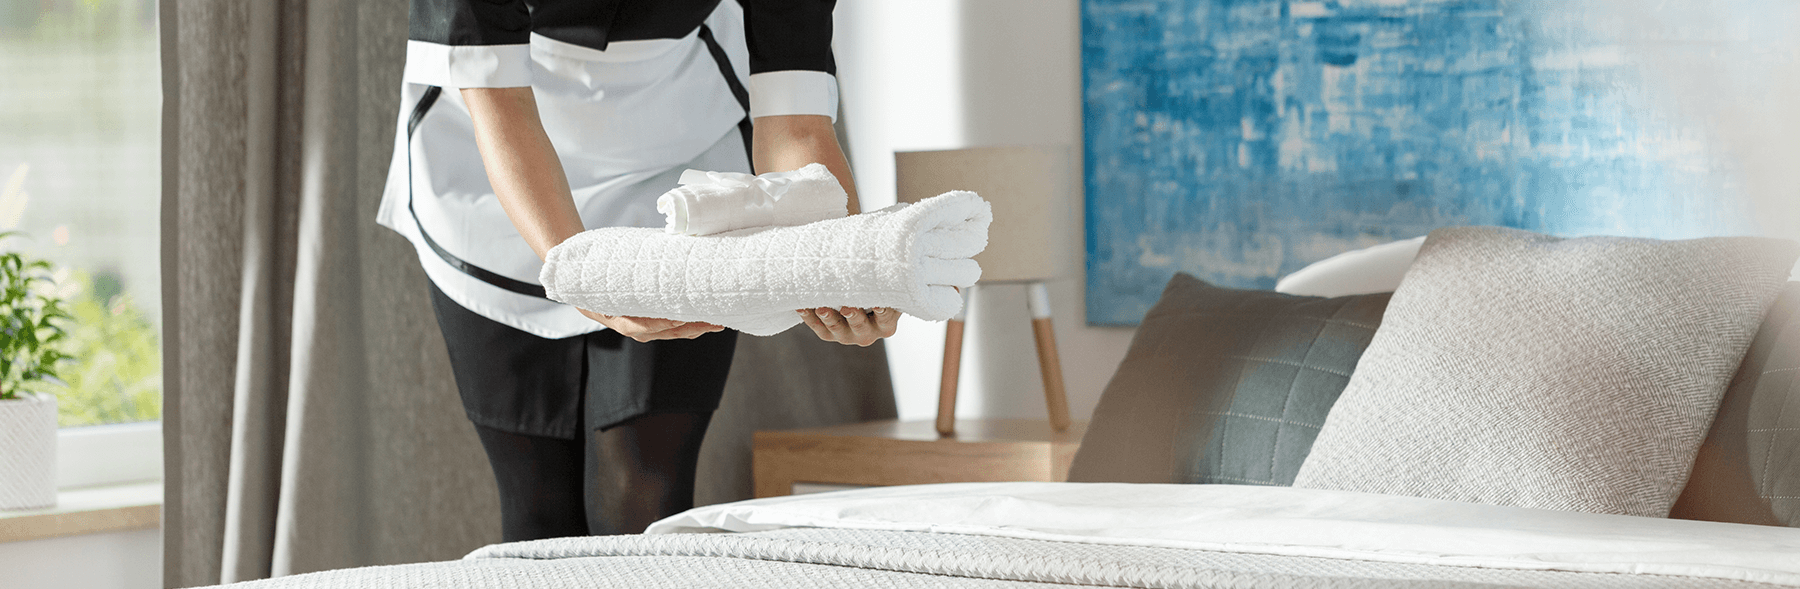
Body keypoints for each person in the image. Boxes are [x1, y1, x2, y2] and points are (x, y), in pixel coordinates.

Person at [376, 0, 896, 541]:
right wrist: (583, 272)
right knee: (535, 504)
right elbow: (500, 108)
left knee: (647, 493)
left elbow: (797, 124)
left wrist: (844, 266)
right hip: (498, 153)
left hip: (683, 151)